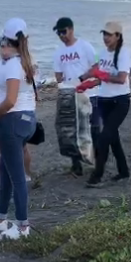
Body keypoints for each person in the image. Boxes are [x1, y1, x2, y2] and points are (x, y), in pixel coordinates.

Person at [0, 18, 37, 240]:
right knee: (5, 169)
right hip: (24, 120)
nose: (0, 46)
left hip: (12, 122)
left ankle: (22, 227)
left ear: (8, 42)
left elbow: (10, 100)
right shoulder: (23, 61)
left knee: (16, 176)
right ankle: (0, 219)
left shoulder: (13, 65)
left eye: (3, 42)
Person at [81, 21, 131, 188]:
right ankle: (124, 172)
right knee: (113, 138)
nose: (105, 37)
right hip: (104, 101)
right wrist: (88, 83)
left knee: (104, 138)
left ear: (117, 36)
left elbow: (121, 78)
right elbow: (101, 77)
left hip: (120, 101)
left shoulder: (123, 53)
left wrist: (100, 75)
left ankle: (97, 175)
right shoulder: (102, 53)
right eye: (104, 34)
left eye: (109, 34)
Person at [52, 17, 100, 177]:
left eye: (63, 32)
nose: (61, 35)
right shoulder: (59, 52)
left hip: (88, 93)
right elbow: (58, 74)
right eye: (58, 33)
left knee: (94, 128)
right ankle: (76, 165)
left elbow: (97, 66)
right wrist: (61, 80)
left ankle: (98, 161)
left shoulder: (85, 46)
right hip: (70, 96)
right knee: (71, 131)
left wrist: (82, 78)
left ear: (71, 29)